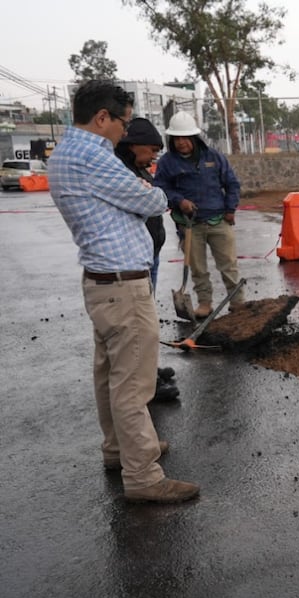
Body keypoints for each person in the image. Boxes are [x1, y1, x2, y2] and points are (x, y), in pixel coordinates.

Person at [47, 79, 199, 503]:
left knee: (110, 374)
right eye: (123, 122)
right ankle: (143, 475)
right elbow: (150, 201)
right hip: (122, 286)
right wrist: (153, 195)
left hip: (102, 283)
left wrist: (147, 194)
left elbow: (141, 196)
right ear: (102, 118)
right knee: (133, 382)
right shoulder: (92, 156)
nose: (125, 132)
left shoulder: (68, 154)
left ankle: (120, 449)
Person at [114, 116, 180, 404]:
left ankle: (149, 371)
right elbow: (154, 200)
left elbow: (158, 199)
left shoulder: (138, 168)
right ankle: (146, 384)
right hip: (133, 261)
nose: (154, 155)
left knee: (146, 318)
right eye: (151, 149)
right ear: (133, 145)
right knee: (139, 324)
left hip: (148, 256)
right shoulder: (121, 171)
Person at [154, 111, 244, 319]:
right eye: (177, 139)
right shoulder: (168, 162)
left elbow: (232, 184)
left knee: (228, 264)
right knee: (198, 267)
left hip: (218, 219)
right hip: (189, 224)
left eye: (185, 138)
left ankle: (238, 302)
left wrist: (230, 210)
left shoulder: (214, 157)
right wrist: (179, 201)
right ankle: (205, 303)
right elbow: (160, 188)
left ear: (194, 137)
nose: (181, 143)